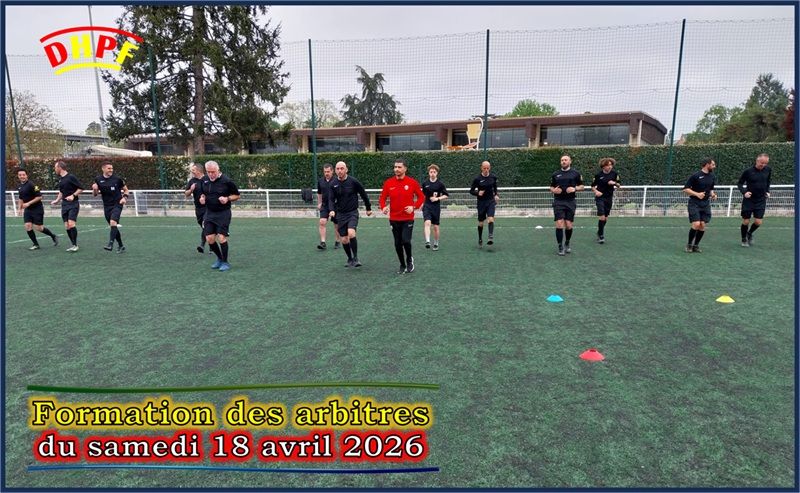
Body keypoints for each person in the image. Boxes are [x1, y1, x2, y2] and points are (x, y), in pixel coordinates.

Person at [379, 158, 425, 274]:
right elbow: (382, 198)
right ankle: (402, 264)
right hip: (394, 218)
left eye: (399, 167)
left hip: (407, 218)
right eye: (395, 167)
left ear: (405, 169)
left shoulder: (412, 182)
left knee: (406, 241)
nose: (396, 169)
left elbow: (421, 197)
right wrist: (383, 207)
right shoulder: (389, 183)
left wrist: (413, 207)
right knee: (397, 243)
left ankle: (409, 260)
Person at [328, 160, 373, 268]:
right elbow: (331, 199)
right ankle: (349, 258)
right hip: (340, 214)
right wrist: (331, 210)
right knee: (344, 239)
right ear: (335, 171)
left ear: (346, 169)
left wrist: (368, 208)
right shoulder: (333, 184)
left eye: (342, 168)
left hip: (352, 212)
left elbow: (363, 194)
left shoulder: (353, 181)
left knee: (351, 233)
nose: (340, 171)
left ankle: (356, 258)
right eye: (338, 169)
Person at [199, 161, 240, 271]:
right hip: (209, 213)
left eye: (213, 172)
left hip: (223, 213)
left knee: (221, 237)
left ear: (218, 170)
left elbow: (237, 195)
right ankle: (219, 258)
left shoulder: (227, 181)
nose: (211, 174)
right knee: (209, 238)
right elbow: (203, 193)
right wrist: (202, 198)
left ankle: (225, 262)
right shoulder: (204, 180)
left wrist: (227, 198)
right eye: (208, 172)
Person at [550, 154, 584, 255]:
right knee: (559, 223)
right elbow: (551, 187)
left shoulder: (576, 173)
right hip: (558, 201)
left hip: (570, 201)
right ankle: (560, 246)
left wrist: (575, 188)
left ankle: (567, 243)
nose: (563, 161)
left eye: (565, 160)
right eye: (562, 160)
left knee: (568, 225)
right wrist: (554, 190)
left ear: (570, 161)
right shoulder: (555, 174)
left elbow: (582, 186)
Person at [16, 168, 58, 250]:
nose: (22, 176)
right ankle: (36, 244)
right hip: (28, 210)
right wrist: (19, 209)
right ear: (18, 176)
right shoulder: (19, 186)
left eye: (23, 175)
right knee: (28, 226)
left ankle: (53, 236)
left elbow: (39, 197)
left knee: (39, 228)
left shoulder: (32, 185)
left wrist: (28, 203)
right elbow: (20, 198)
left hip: (37, 209)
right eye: (20, 175)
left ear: (26, 175)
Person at [682, 157, 718, 253]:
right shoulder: (695, 176)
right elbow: (685, 189)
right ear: (707, 164)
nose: (714, 166)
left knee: (702, 225)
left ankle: (696, 246)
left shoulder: (712, 176)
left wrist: (713, 195)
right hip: (694, 203)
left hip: (705, 204)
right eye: (713, 164)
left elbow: (711, 189)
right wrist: (697, 194)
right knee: (696, 224)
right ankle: (689, 245)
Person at [92, 162, 128, 253]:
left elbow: (126, 190)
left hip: (117, 204)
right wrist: (95, 189)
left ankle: (110, 244)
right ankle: (121, 245)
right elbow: (95, 194)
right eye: (109, 168)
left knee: (113, 222)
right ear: (103, 169)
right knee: (113, 226)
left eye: (112, 168)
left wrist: (124, 198)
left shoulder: (117, 179)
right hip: (107, 206)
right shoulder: (98, 179)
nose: (111, 170)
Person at [737, 153, 772, 247]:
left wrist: (767, 191)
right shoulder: (748, 171)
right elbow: (740, 184)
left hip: (761, 200)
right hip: (749, 200)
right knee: (746, 221)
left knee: (758, 222)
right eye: (762, 163)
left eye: (765, 163)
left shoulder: (768, 170)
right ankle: (744, 239)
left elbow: (768, 181)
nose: (763, 165)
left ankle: (749, 233)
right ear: (757, 161)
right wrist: (744, 192)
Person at [50, 160, 84, 252]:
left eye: (55, 167)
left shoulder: (71, 177)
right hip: (64, 205)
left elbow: (81, 188)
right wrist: (57, 200)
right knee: (67, 226)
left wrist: (73, 195)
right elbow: (61, 191)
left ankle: (75, 245)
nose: (55, 169)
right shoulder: (61, 179)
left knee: (71, 223)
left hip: (73, 204)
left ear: (59, 168)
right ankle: (73, 244)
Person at [591, 157, 621, 244]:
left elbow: (619, 185)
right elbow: (592, 186)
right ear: (603, 166)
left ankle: (599, 231)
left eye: (611, 165)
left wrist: (614, 183)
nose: (610, 166)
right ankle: (601, 236)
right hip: (600, 198)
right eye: (608, 165)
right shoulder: (598, 175)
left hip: (609, 198)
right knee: (602, 216)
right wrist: (596, 191)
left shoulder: (614, 174)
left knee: (605, 218)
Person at [469, 160, 499, 248]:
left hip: (490, 201)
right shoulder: (477, 179)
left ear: (490, 168)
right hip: (481, 203)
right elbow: (471, 191)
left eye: (487, 168)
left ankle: (490, 237)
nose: (486, 170)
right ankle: (480, 238)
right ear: (481, 168)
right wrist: (478, 193)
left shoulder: (493, 177)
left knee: (491, 219)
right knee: (481, 223)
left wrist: (496, 195)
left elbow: (495, 187)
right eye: (484, 168)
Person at [422, 164, 449, 251]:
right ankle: (427, 241)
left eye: (434, 172)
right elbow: (423, 195)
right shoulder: (425, 183)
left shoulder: (440, 184)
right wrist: (422, 203)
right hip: (427, 206)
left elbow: (446, 195)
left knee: (435, 227)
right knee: (427, 223)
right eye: (431, 172)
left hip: (436, 207)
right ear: (428, 173)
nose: (432, 173)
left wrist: (437, 198)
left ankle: (436, 243)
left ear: (437, 173)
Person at [316, 163, 341, 250]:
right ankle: (323, 243)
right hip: (325, 205)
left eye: (328, 171)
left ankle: (337, 241)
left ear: (332, 171)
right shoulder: (320, 181)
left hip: (336, 206)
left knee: (337, 224)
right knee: (322, 222)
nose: (326, 173)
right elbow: (319, 193)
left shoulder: (337, 181)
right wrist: (319, 203)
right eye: (325, 172)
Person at [184, 163, 208, 253]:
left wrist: (205, 197)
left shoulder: (207, 179)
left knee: (206, 225)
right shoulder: (192, 181)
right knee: (205, 227)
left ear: (199, 171)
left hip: (208, 207)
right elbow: (186, 194)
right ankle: (212, 244)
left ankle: (202, 245)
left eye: (193, 170)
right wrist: (191, 190)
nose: (192, 171)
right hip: (198, 208)